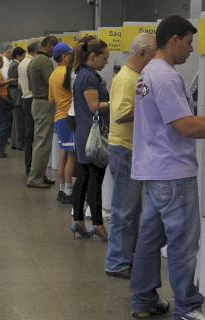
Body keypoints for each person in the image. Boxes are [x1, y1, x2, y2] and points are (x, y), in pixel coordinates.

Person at [130, 16, 205, 320]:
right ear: (174, 39)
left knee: (149, 241)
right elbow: (185, 126)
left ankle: (144, 301)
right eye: (188, 43)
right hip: (174, 173)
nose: (190, 50)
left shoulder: (148, 72)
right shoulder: (166, 77)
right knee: (183, 244)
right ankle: (187, 307)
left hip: (154, 171)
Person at [105, 33, 156, 280]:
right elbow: (121, 114)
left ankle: (125, 258)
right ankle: (117, 262)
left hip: (128, 149)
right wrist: (151, 105)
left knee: (130, 209)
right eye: (154, 52)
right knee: (124, 210)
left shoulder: (133, 76)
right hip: (125, 150)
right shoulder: (127, 79)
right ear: (142, 52)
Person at [70, 36, 109, 241]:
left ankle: (78, 220)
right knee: (95, 179)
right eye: (104, 58)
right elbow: (94, 106)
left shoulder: (82, 74)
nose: (107, 62)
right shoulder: (89, 77)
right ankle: (98, 224)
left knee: (84, 178)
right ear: (93, 56)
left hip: (84, 132)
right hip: (93, 135)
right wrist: (117, 102)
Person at [26, 35, 59, 188]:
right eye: (55, 48)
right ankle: (35, 177)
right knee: (43, 142)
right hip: (44, 103)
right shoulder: (45, 61)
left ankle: (39, 174)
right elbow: (51, 82)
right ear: (50, 45)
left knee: (40, 141)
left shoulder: (34, 59)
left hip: (37, 102)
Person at [49, 42, 75, 204]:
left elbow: (51, 99)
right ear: (64, 56)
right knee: (72, 155)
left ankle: (62, 188)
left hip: (59, 116)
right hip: (68, 118)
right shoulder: (68, 73)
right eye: (71, 55)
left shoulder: (53, 74)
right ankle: (69, 191)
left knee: (63, 154)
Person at [18, 41, 39, 175]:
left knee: (29, 134)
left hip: (25, 98)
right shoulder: (32, 64)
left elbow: (20, 84)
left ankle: (28, 166)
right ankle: (32, 167)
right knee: (35, 136)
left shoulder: (21, 63)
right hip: (33, 98)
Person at [8, 46, 26, 151]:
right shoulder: (16, 65)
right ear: (18, 56)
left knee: (16, 121)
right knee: (19, 121)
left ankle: (15, 142)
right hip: (16, 95)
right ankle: (20, 143)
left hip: (14, 94)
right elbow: (15, 81)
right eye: (23, 56)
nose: (24, 58)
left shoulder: (12, 64)